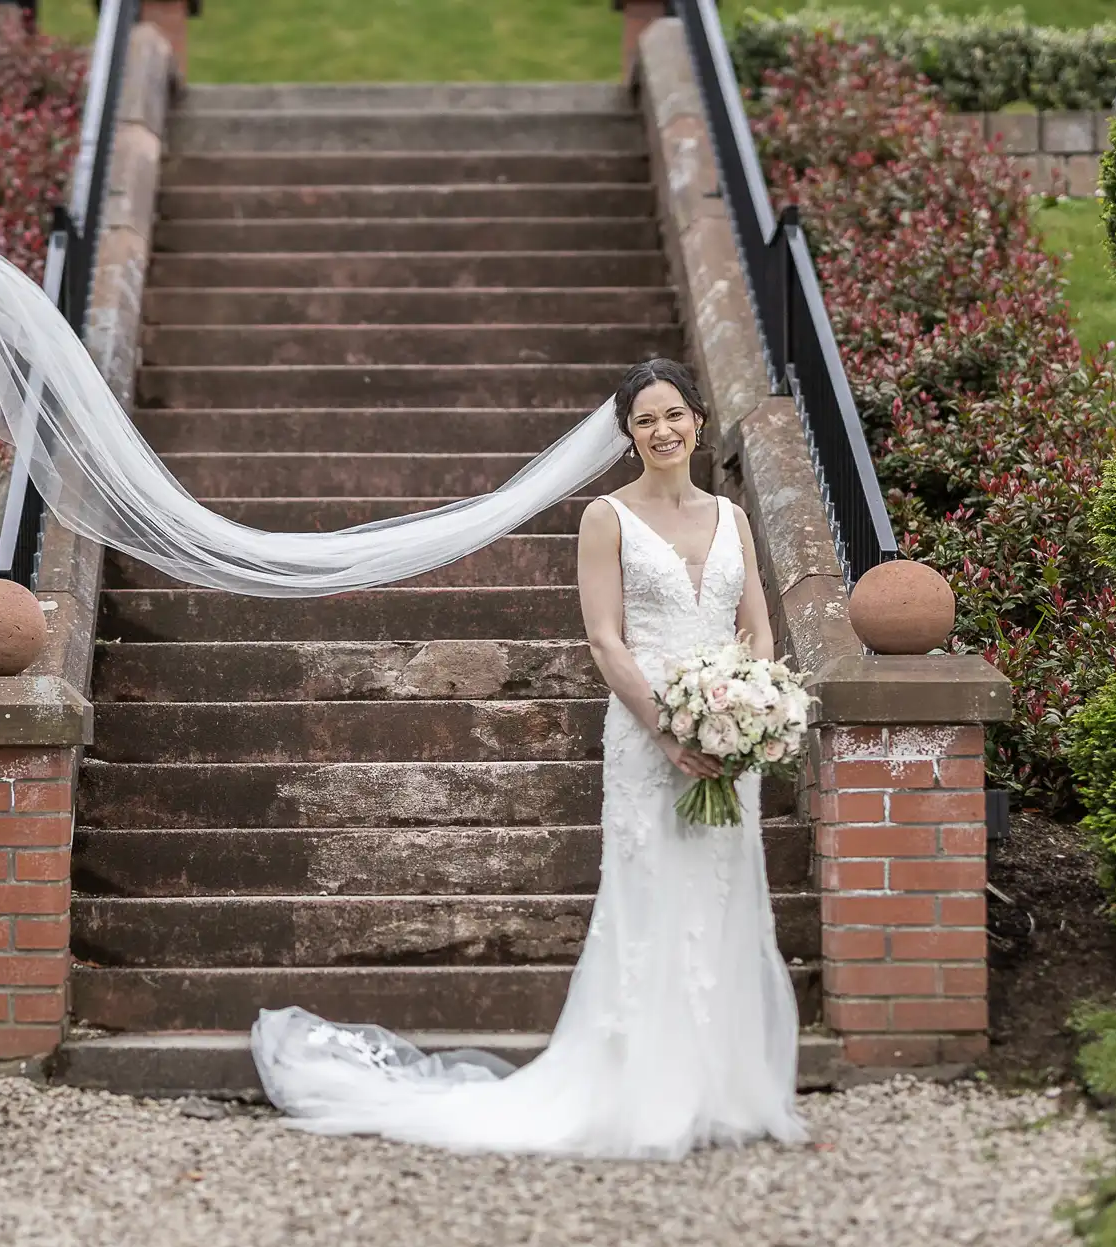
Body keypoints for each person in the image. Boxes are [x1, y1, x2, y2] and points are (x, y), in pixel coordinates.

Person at [249, 359, 809, 1160]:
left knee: (723, 897)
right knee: (651, 902)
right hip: (651, 734)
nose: (662, 431)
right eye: (645, 420)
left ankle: (722, 1085)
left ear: (699, 420)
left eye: (674, 415)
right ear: (627, 435)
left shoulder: (733, 516)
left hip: (730, 736)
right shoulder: (605, 518)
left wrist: (745, 704)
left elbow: (757, 626)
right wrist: (669, 729)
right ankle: (645, 1092)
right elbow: (604, 639)